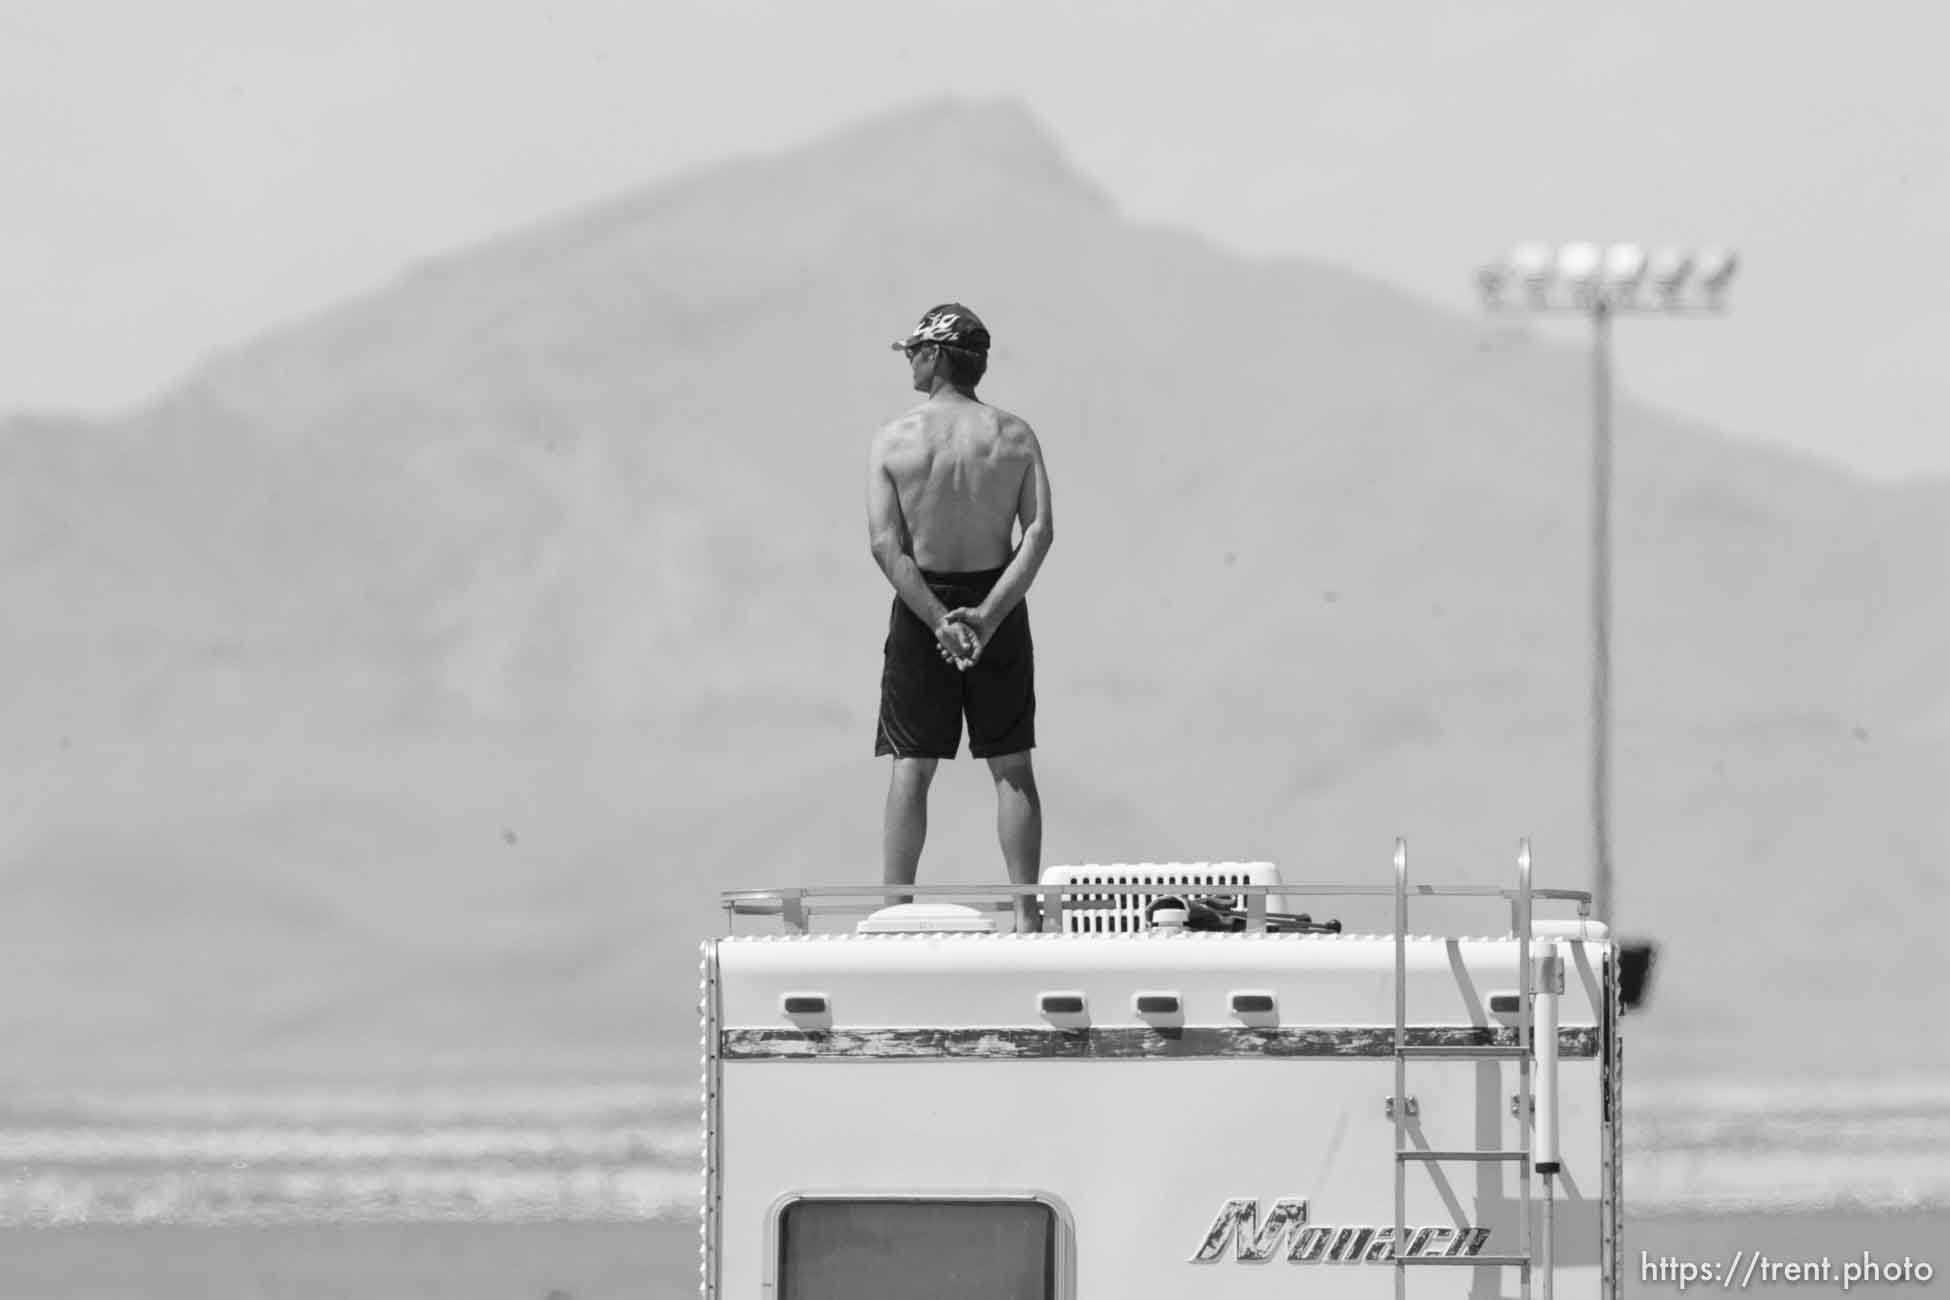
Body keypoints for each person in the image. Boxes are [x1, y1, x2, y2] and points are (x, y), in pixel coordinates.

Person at [865, 304, 1054, 932]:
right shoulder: (1015, 437)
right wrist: (992, 614)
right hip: (996, 597)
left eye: (916, 349)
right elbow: (1039, 535)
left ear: (939, 355)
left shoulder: (894, 440)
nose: (911, 360)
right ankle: (1027, 919)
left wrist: (939, 619)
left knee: (912, 765)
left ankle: (895, 915)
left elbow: (885, 546)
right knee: (1012, 763)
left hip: (924, 605)